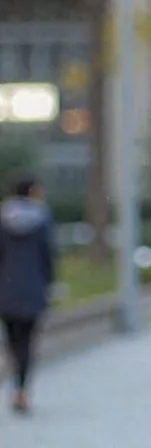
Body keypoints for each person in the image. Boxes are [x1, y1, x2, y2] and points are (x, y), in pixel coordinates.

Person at [0, 175, 55, 415]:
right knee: (28, 342)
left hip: (5, 290)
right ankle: (21, 390)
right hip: (33, 289)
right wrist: (49, 285)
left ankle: (15, 385)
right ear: (33, 191)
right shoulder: (43, 220)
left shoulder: (2, 219)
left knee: (12, 339)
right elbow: (48, 257)